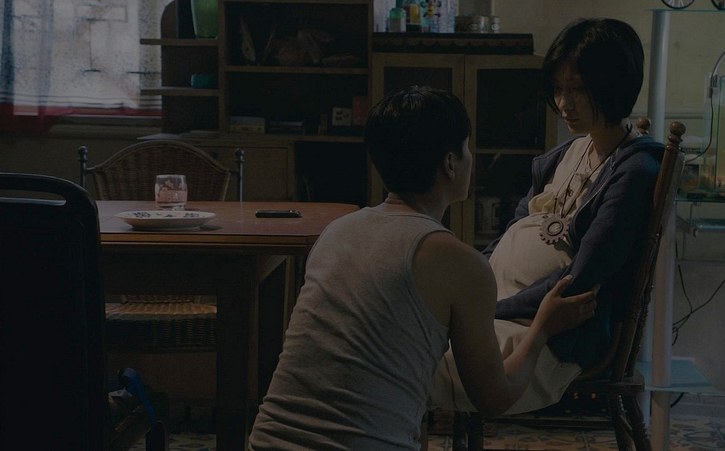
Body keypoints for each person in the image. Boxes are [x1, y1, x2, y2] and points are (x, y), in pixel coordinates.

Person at [248, 86, 597, 450]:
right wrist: (542, 327)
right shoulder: (460, 264)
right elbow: (495, 398)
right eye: (466, 148)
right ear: (450, 163)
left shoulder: (336, 232)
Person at [430, 17, 666, 414]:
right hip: (504, 310)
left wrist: (488, 309)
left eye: (577, 89)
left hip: (554, 331)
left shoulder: (634, 171)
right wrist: (468, 287)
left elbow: (582, 278)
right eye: (558, 89)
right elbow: (511, 234)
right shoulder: (568, 154)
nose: (563, 103)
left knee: (424, 362)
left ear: (613, 85)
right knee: (414, 339)